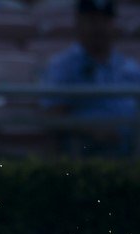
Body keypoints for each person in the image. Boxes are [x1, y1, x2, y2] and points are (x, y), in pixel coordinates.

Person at [41, 0, 140, 157]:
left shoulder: (130, 67)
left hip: (132, 155)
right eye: (92, 20)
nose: (99, 27)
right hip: (84, 156)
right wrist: (90, 128)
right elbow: (52, 117)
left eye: (105, 20)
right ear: (79, 22)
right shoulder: (63, 66)